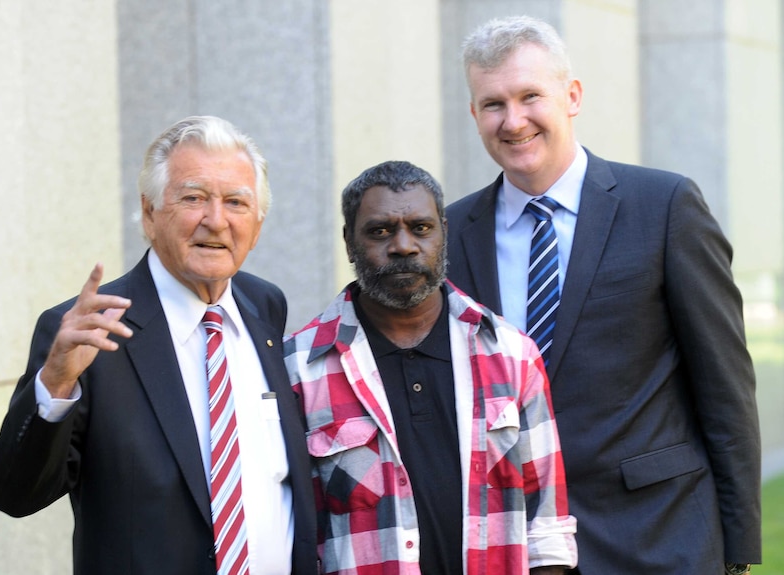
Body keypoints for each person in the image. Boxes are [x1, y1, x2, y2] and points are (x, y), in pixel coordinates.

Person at [445, 15, 761, 575]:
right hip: (514, 544)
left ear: (571, 96)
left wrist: (737, 549)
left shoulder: (664, 207)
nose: (513, 120)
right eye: (493, 104)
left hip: (658, 535)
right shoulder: (452, 232)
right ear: (474, 115)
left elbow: (725, 386)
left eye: (530, 96)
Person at [0, 116, 318, 575]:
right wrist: (56, 382)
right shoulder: (89, 334)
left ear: (257, 226)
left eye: (236, 202)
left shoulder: (265, 307)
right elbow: (14, 495)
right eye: (193, 198)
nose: (215, 220)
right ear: (149, 212)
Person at [284, 160, 578, 575]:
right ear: (349, 242)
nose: (403, 246)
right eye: (379, 231)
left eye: (420, 228)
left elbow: (547, 532)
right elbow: (294, 535)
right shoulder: (298, 369)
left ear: (443, 232)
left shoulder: (512, 356)